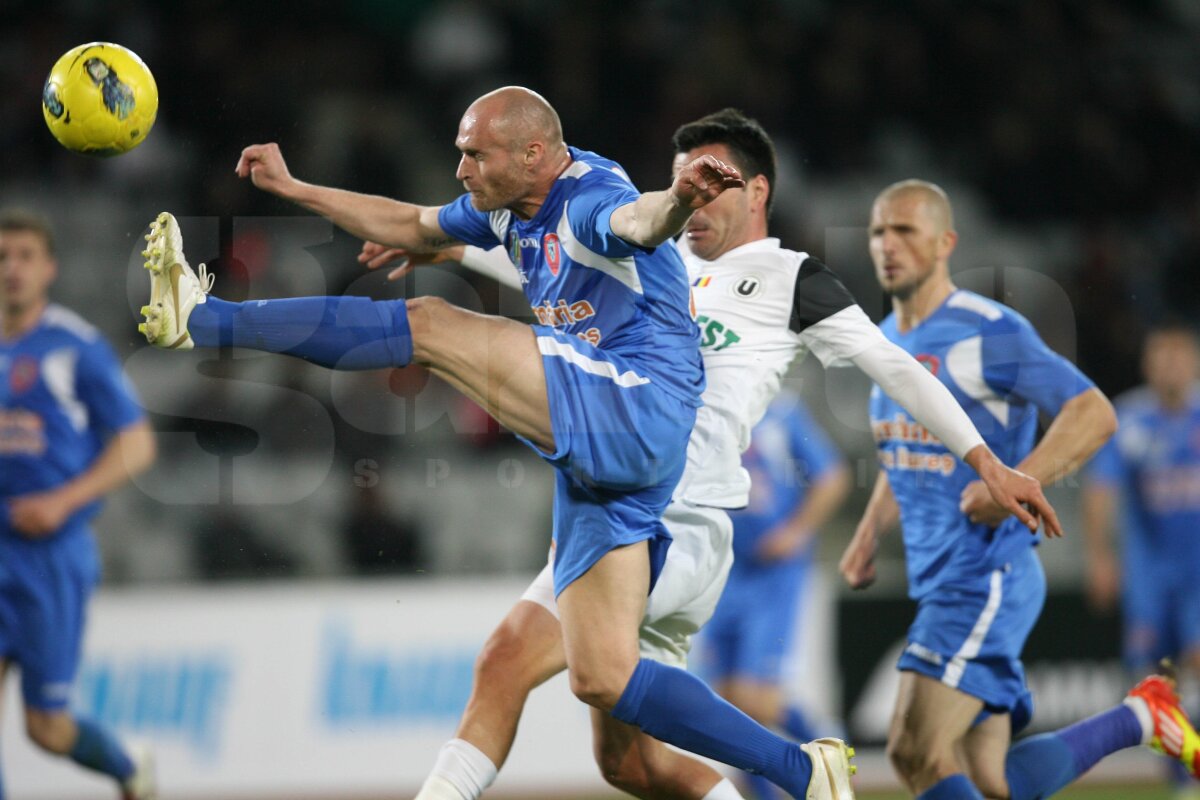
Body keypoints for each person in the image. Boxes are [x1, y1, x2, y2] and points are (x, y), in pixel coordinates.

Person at [139, 92, 1056, 798]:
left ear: (757, 190)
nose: (696, 197)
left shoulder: (781, 277)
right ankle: (802, 774)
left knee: (425, 326)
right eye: (686, 176)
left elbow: (635, 221)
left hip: (681, 500)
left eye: (714, 181)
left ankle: (208, 320)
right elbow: (467, 234)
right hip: (609, 481)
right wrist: (309, 195)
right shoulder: (619, 254)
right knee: (611, 730)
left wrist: (986, 458)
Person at [839, 180, 1199, 799]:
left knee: (913, 749)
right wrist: (870, 531)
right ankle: (1143, 716)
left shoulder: (988, 331)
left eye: (905, 230)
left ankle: (1147, 714)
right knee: (990, 779)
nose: (887, 245)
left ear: (946, 241)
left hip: (985, 574)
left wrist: (1018, 477)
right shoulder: (881, 340)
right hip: (941, 578)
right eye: (878, 231)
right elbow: (907, 449)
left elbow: (1093, 412)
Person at [0, 210, 158, 799]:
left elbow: (137, 443)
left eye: (23, 256)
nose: (11, 269)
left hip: (49, 558)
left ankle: (126, 766)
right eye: (1, 257)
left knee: (45, 729)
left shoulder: (75, 347)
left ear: (49, 269)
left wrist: (64, 501)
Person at [694, 392, 850, 800]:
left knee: (754, 698)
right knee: (722, 705)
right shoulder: (699, 410)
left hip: (772, 576)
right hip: (722, 571)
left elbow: (832, 476)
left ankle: (826, 750)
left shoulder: (779, 412)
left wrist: (795, 532)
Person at [1083, 320, 1200, 795]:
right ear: (1147, 364)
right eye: (1161, 356)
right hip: (1148, 576)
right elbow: (1100, 491)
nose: (1170, 366)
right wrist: (1100, 558)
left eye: (1179, 356)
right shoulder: (1126, 420)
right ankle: (1182, 777)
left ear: (1193, 362)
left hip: (1197, 572)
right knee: (1156, 680)